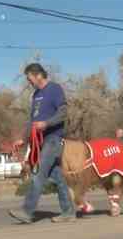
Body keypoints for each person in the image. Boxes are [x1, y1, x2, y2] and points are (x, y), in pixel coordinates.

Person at [8, 63, 76, 224]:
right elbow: (32, 122)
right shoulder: (36, 95)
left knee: (38, 174)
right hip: (41, 142)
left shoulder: (54, 89)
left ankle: (27, 211)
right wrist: (23, 140)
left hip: (53, 139)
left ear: (38, 75)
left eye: (29, 78)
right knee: (58, 177)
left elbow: (63, 112)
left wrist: (47, 123)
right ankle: (68, 212)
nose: (29, 82)